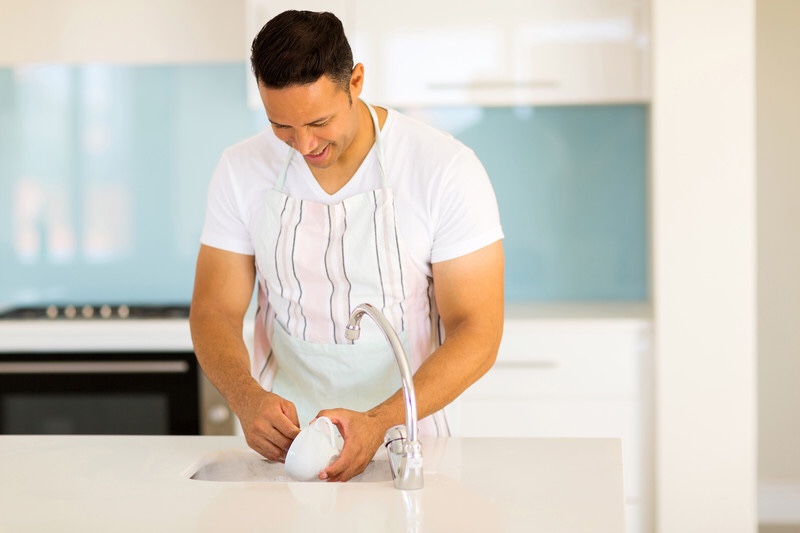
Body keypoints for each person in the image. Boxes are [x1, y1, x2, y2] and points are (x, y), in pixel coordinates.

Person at [189, 9, 505, 482]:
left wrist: (380, 422)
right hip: (285, 449)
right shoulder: (240, 169)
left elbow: (478, 329)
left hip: (409, 440)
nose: (303, 144)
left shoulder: (445, 169)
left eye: (319, 121)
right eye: (282, 126)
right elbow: (213, 309)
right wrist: (244, 396)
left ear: (355, 81)